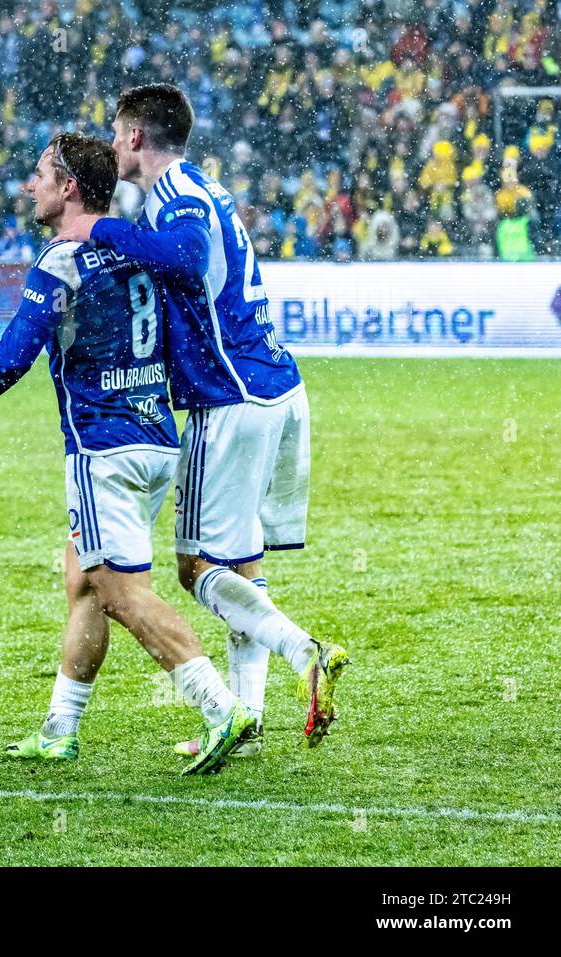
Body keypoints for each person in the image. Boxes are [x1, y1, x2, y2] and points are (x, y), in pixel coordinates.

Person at [0, 132, 258, 776]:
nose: (30, 186)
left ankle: (222, 708)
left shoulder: (60, 261)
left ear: (69, 189)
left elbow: (15, 354)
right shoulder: (136, 251)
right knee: (82, 577)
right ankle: (60, 727)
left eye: (39, 176)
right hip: (158, 437)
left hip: (103, 448)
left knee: (119, 591)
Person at [58, 84, 349, 753]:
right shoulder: (203, 188)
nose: (109, 142)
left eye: (114, 130)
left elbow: (187, 262)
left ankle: (306, 650)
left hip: (232, 397)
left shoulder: (177, 198)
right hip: (274, 387)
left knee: (195, 568)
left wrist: (101, 228)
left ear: (134, 137)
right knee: (242, 563)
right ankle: (246, 724)